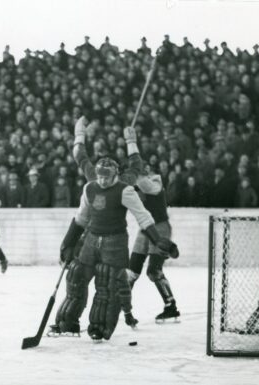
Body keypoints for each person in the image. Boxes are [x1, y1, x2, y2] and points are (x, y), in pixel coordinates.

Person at [50, 118, 177, 341]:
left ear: (115, 175)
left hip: (115, 243)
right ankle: (67, 322)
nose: (102, 180)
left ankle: (100, 326)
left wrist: (131, 141)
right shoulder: (91, 185)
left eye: (106, 178)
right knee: (77, 277)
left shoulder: (125, 187)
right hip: (91, 240)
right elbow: (80, 159)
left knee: (107, 285)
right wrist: (68, 242)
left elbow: (143, 214)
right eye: (99, 176)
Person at [120, 127, 181, 325]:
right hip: (145, 229)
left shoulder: (154, 181)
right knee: (132, 272)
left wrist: (131, 146)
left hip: (160, 228)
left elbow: (145, 184)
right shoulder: (134, 186)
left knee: (153, 271)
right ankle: (123, 308)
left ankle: (171, 306)